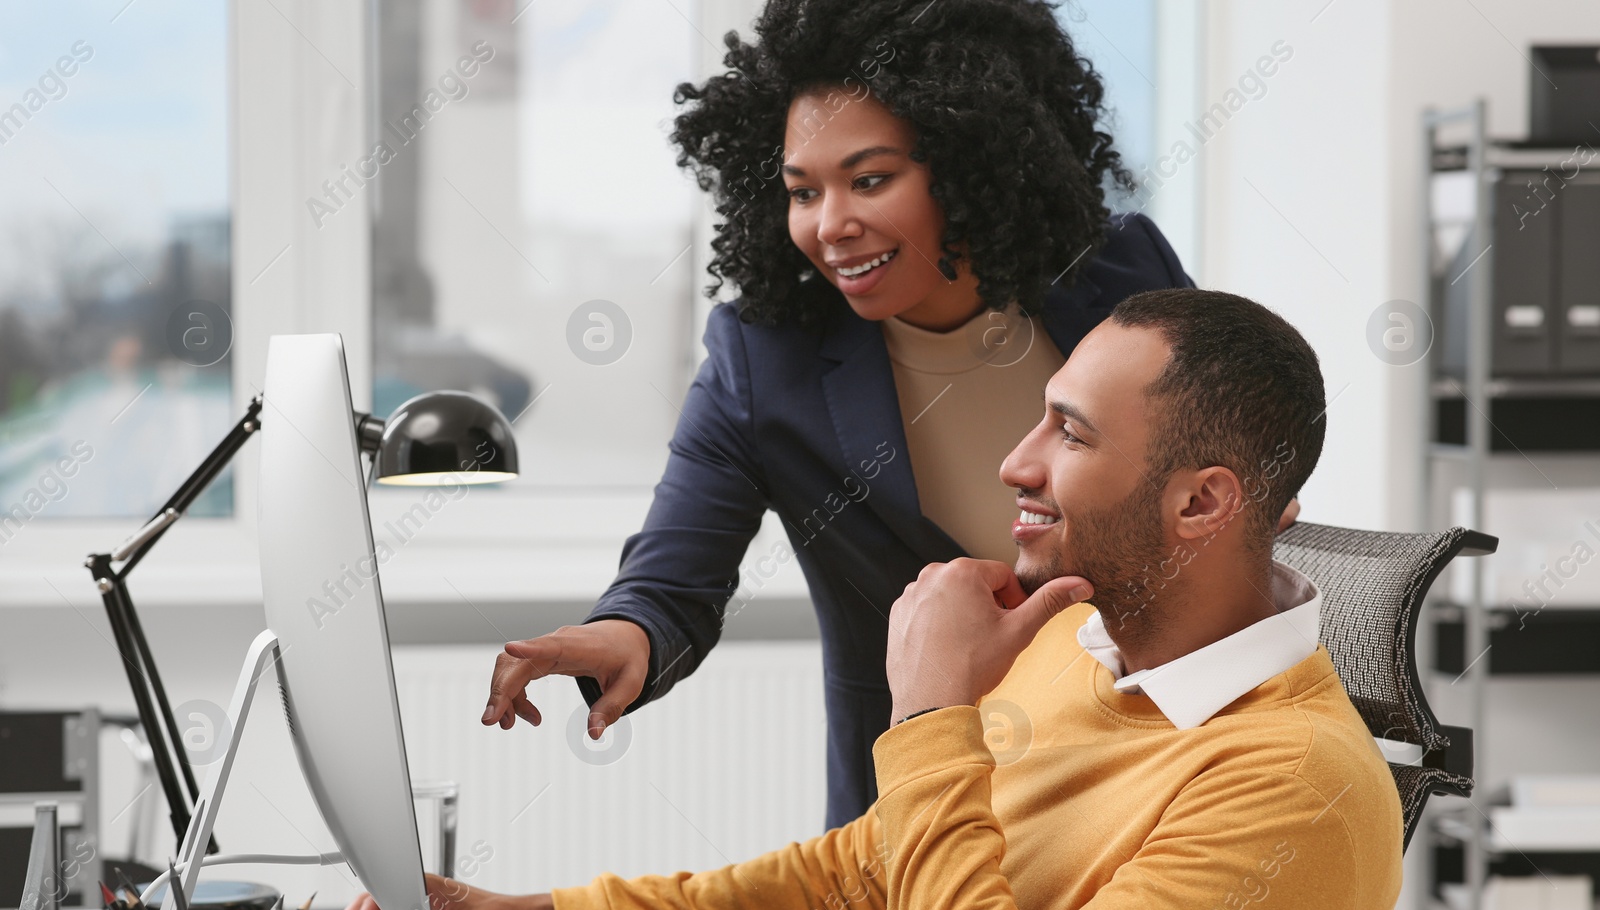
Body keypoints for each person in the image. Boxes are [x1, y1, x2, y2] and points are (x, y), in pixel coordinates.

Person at [331, 289, 1401, 910]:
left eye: (1067, 432)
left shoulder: (1294, 794)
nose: (1015, 462)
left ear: (1201, 504)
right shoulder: (1080, 646)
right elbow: (863, 882)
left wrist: (936, 715)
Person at [479, 0, 1228, 829]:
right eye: (803, 192)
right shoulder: (767, 361)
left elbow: (1230, 496)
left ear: (966, 161)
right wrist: (625, 635)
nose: (830, 225)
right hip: (927, 807)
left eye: (870, 180)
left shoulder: (1118, 276)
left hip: (1152, 775)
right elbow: (672, 579)